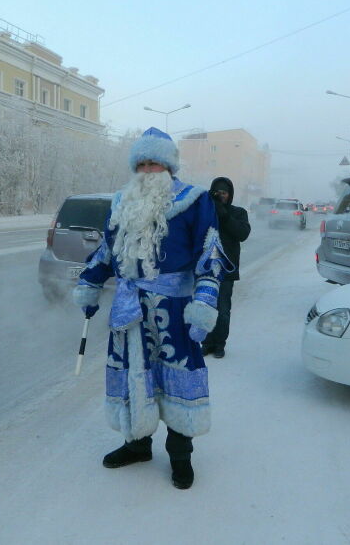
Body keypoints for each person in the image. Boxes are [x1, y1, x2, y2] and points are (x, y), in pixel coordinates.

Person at [72, 127, 231, 490]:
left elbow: (211, 252)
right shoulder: (121, 201)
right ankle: (137, 444)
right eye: (141, 164)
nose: (147, 171)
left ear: (169, 167)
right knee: (133, 376)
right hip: (130, 310)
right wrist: (91, 282)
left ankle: (180, 457)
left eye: (155, 164)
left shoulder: (195, 200)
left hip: (174, 310)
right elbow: (108, 251)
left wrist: (205, 301)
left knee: (175, 378)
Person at [201, 177, 251, 358]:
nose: (221, 196)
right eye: (217, 193)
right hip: (205, 269)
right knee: (206, 308)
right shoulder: (205, 213)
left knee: (222, 311)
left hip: (226, 271)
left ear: (230, 194)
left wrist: (224, 215)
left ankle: (219, 344)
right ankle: (206, 342)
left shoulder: (238, 212)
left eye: (224, 193)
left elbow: (242, 233)